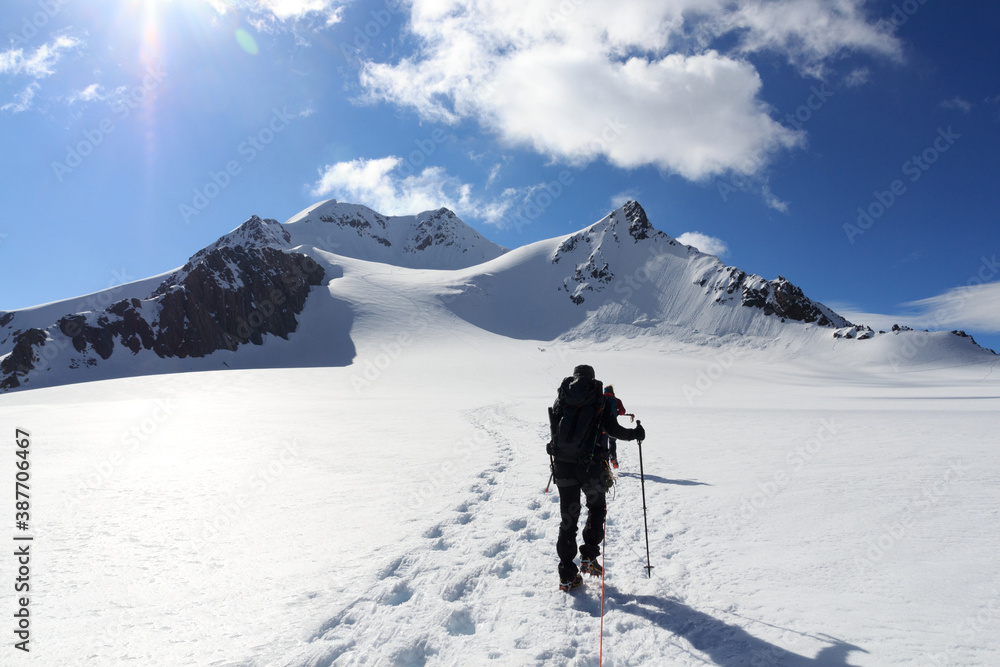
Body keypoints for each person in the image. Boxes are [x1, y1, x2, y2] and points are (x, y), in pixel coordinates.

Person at [548, 364, 645, 592]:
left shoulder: (563, 397)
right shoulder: (598, 399)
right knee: (597, 509)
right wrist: (635, 434)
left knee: (568, 520)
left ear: (574, 377)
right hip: (590, 467)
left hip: (563, 466)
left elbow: (555, 427)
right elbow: (613, 430)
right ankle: (589, 556)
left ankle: (567, 575)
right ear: (592, 378)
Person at [601, 385, 628, 469]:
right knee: (612, 442)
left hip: (602, 425)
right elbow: (622, 412)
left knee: (603, 444)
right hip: (613, 424)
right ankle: (613, 457)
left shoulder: (601, 399)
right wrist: (616, 412)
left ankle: (605, 464)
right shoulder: (616, 400)